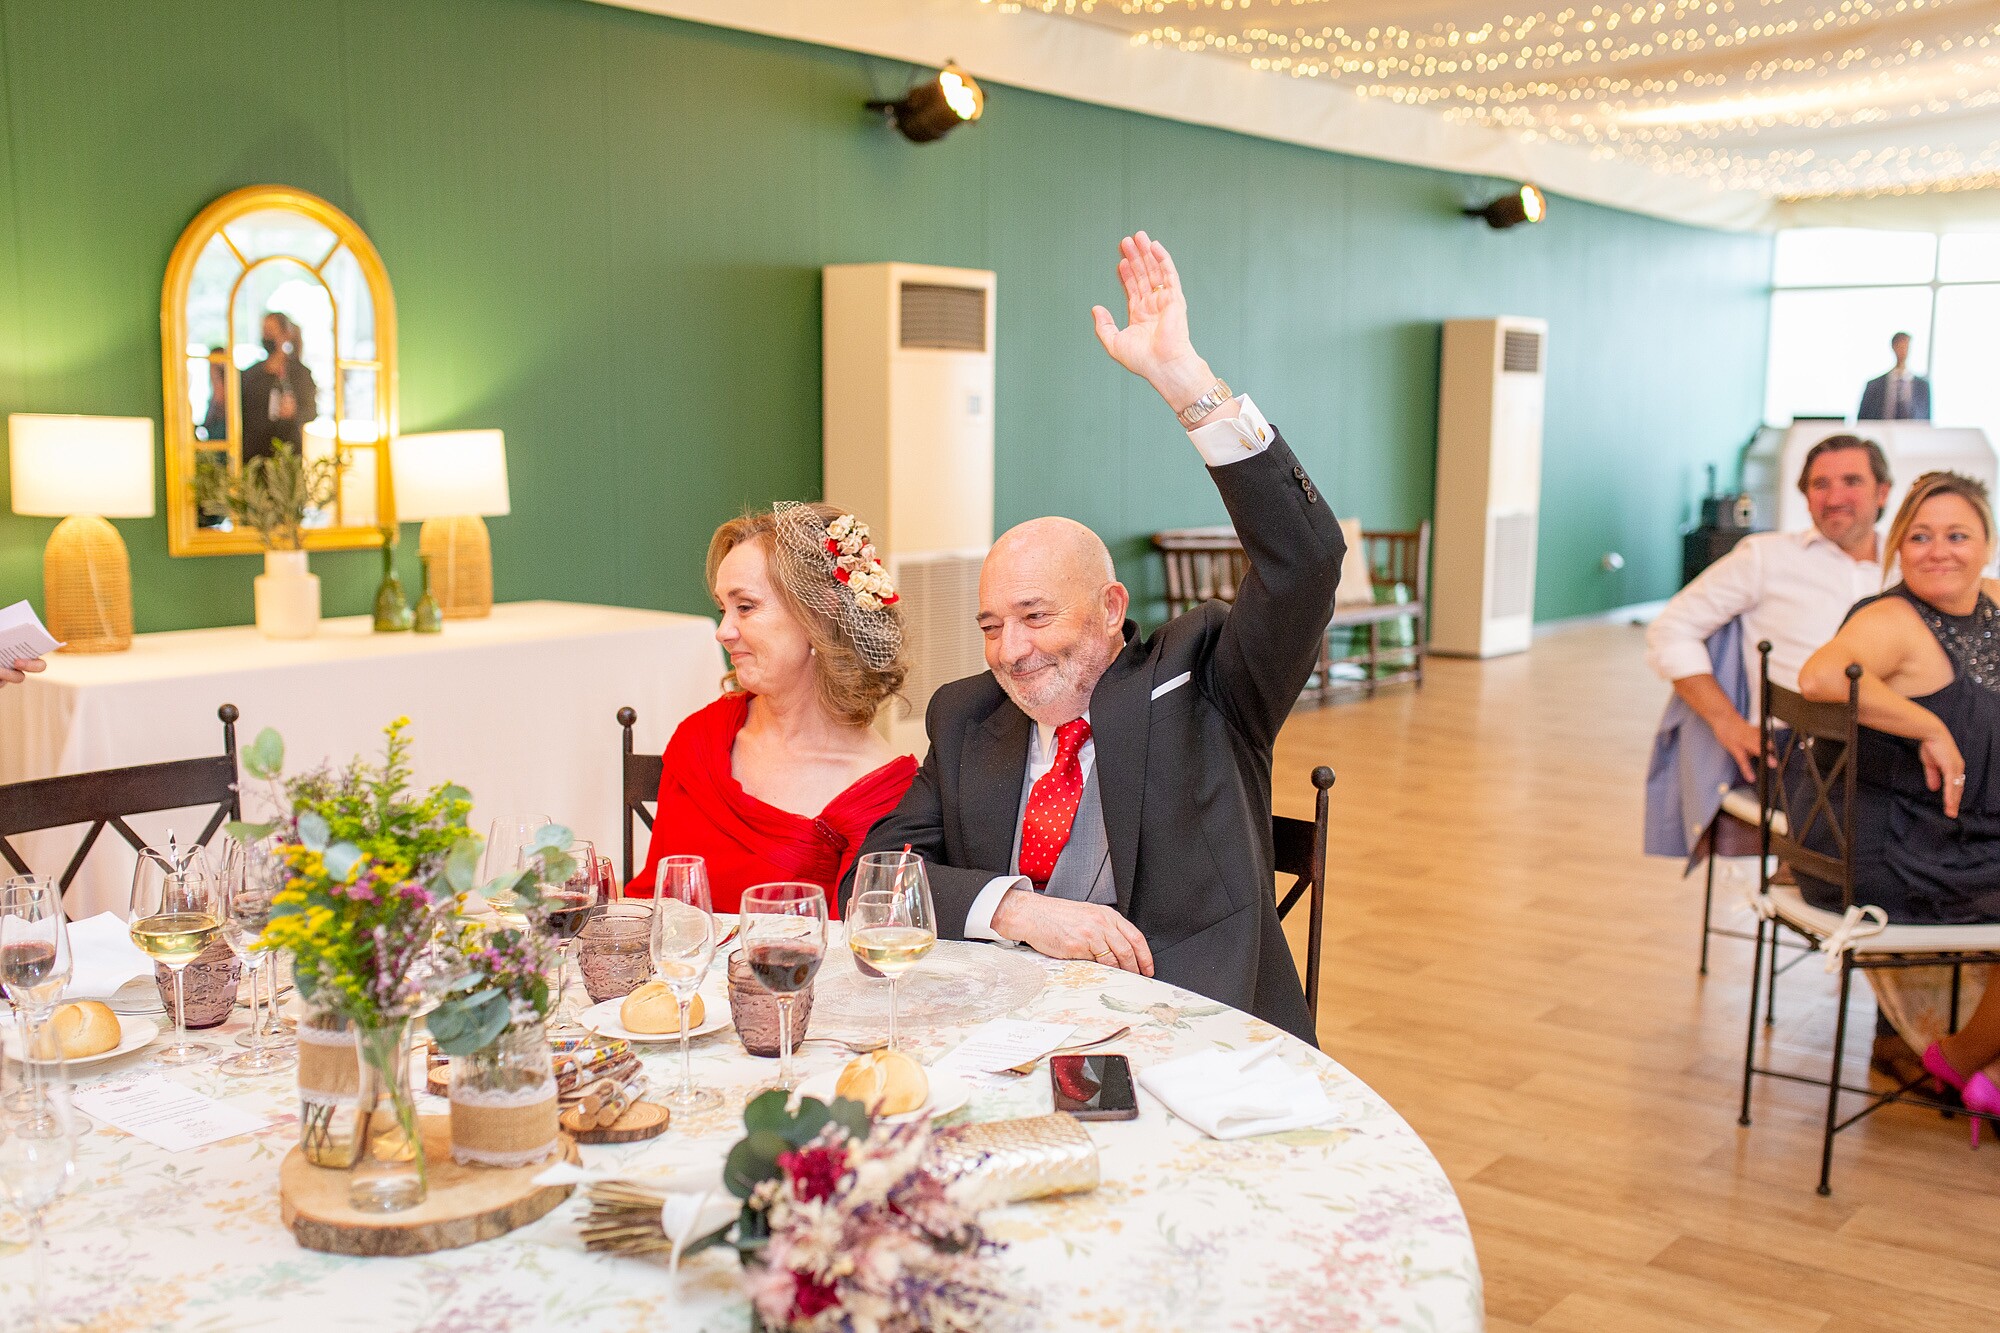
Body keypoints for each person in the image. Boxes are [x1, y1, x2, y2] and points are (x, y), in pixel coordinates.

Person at [854, 232, 1342, 1047]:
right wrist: (1019, 909)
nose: (1010, 650)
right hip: (1001, 1037)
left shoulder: (1206, 683)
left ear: (1112, 606)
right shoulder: (965, 717)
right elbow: (876, 884)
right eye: (990, 625)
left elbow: (1307, 561)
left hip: (1195, 1039)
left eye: (1036, 616)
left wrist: (1185, 382)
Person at [1798, 471, 2000, 1126]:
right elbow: (1821, 673)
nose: (1938, 550)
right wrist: (1929, 724)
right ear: (1898, 547)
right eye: (1920, 536)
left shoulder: (1992, 602)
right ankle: (1966, 1060)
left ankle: (1981, 1070)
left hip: (1959, 833)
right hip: (1889, 843)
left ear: (1987, 544)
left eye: (1957, 534)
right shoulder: (1892, 618)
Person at [627, 503, 918, 914]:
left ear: (819, 612)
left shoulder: (879, 789)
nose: (724, 632)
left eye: (745, 607)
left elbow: (853, 957)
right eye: (722, 609)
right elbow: (653, 904)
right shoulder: (703, 738)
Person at [240, 313, 317, 463]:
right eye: (264, 330)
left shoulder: (301, 374)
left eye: (271, 330)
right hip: (255, 454)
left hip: (288, 453)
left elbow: (311, 412)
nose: (266, 335)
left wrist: (294, 412)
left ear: (286, 334)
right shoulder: (251, 374)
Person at [1857, 331, 1931, 422]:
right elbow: (1862, 420)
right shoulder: (1873, 385)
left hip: (1913, 433)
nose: (1903, 350)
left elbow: (1927, 420)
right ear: (1893, 347)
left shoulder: (1923, 386)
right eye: (1900, 346)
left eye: (1906, 346)